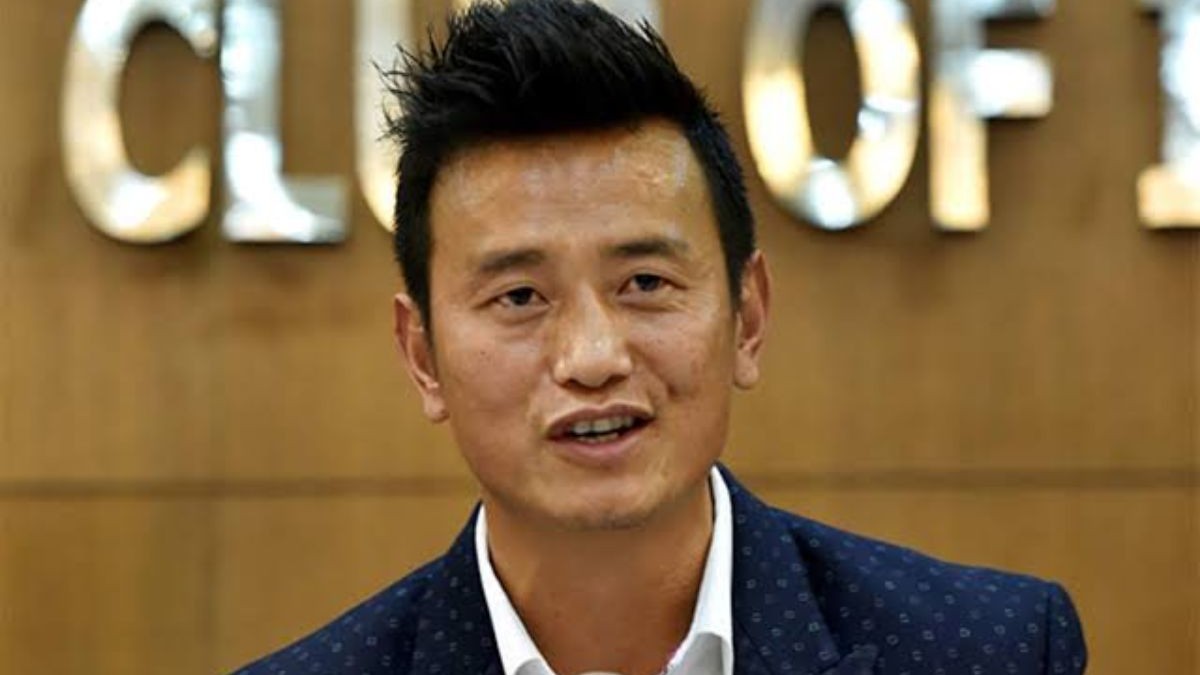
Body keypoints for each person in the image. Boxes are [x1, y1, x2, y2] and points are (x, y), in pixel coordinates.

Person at [233, 1, 1087, 673]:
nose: (593, 358)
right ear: (423, 357)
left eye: (644, 283)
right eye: (520, 295)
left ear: (748, 315)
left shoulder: (989, 650)